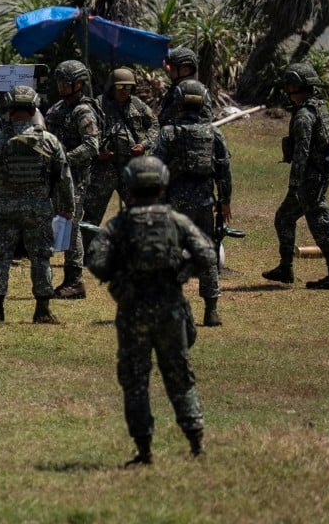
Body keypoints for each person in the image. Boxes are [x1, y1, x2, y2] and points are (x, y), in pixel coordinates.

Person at [86, 156, 215, 466]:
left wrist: (120, 277)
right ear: (162, 185)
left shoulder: (119, 224)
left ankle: (144, 450)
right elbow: (207, 254)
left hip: (133, 311)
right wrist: (182, 273)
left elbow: (96, 260)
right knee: (180, 376)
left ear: (130, 186)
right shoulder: (176, 220)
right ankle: (196, 441)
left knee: (135, 381)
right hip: (171, 308)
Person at [0, 85, 74, 324]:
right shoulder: (49, 141)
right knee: (41, 258)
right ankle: (43, 311)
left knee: (0, 258)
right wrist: (68, 207)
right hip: (38, 210)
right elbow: (64, 177)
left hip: (4, 209)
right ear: (33, 109)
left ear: (9, 110)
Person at [151, 80, 232, 326]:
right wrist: (225, 201)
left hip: (175, 203)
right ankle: (211, 310)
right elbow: (223, 169)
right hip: (204, 203)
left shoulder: (168, 133)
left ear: (178, 103)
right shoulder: (213, 133)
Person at [262, 62, 329, 289]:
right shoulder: (321, 108)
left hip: (309, 180)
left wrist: (294, 184)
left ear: (294, 87)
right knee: (285, 217)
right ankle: (286, 268)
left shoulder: (304, 116)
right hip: (318, 175)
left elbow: (302, 153)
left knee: (319, 222)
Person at [82, 67, 159, 252]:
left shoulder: (138, 105)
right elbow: (85, 131)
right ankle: (86, 252)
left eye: (128, 87)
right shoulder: (97, 105)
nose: (124, 91)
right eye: (120, 87)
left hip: (131, 166)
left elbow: (155, 126)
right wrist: (96, 152)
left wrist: (144, 145)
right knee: (92, 211)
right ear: (111, 87)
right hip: (104, 167)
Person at [44, 60, 101, 299]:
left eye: (65, 83)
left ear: (78, 84)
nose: (60, 87)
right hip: (53, 177)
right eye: (58, 82)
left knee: (72, 224)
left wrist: (65, 159)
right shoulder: (55, 109)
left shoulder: (83, 111)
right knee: (55, 223)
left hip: (75, 178)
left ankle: (75, 281)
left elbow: (92, 146)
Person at [159, 47, 215, 124]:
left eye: (173, 69)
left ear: (186, 70)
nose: (170, 73)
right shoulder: (174, 90)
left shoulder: (194, 92)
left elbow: (200, 123)